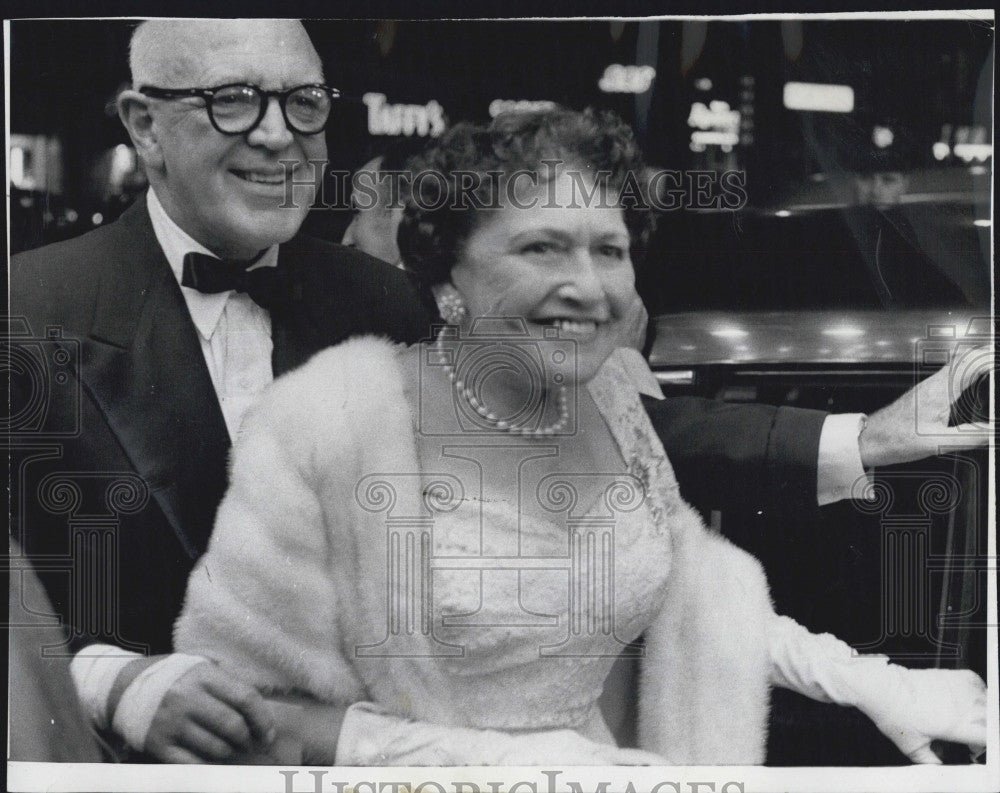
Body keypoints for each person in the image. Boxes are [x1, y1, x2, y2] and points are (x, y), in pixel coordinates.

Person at [174, 107, 987, 766]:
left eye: (610, 249)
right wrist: (498, 768)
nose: (590, 286)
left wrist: (863, 681)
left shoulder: (609, 400)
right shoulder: (326, 422)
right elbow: (247, 713)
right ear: (447, 274)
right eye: (541, 247)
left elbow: (693, 596)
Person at [9, 18, 434, 763]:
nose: (279, 135)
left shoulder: (391, 307)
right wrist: (117, 684)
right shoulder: (25, 311)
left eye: (305, 101)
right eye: (233, 101)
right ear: (145, 126)